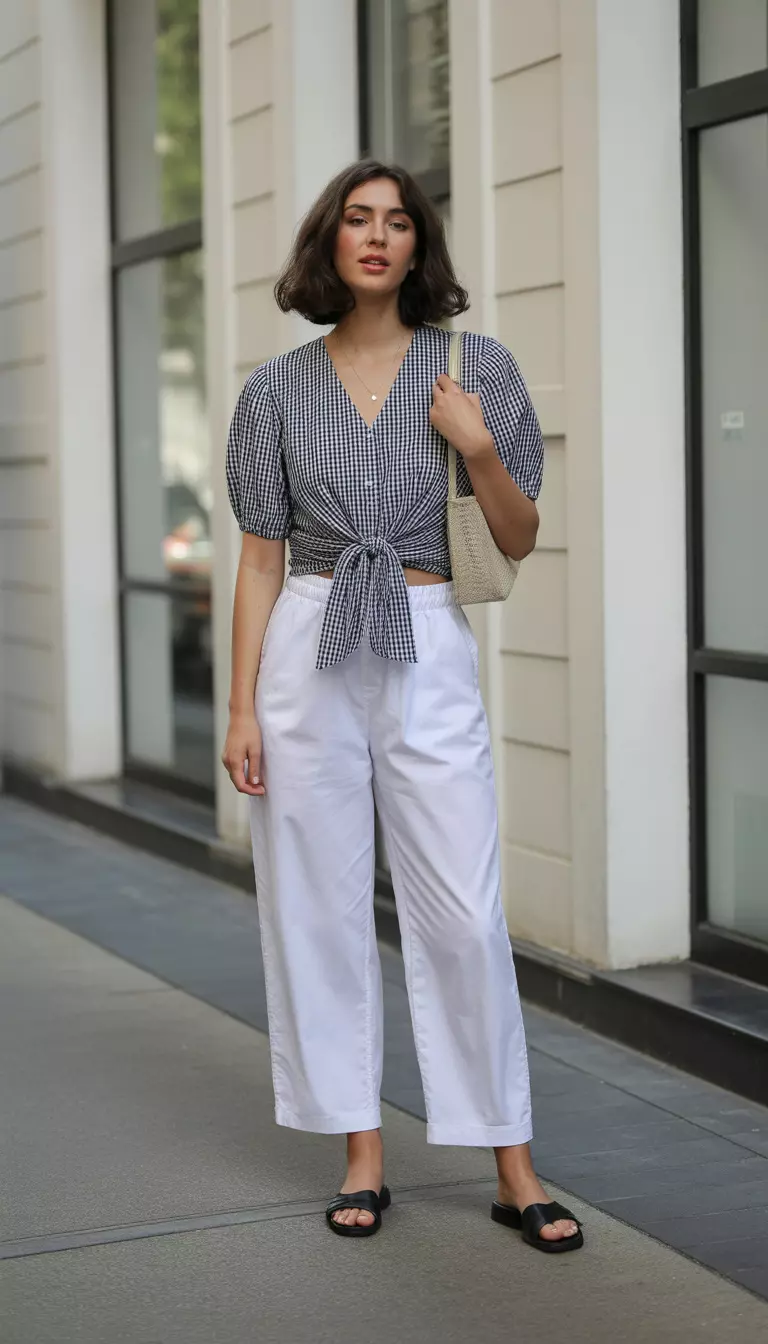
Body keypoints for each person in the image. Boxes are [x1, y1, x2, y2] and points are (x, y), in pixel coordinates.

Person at [222, 160, 584, 1253]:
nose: (376, 238)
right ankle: (360, 1151)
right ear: (327, 243)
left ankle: (511, 1160)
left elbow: (517, 537)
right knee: (315, 906)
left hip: (425, 636)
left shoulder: (479, 369)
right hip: (310, 642)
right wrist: (239, 708)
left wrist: (475, 443)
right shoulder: (275, 390)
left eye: (397, 224)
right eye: (355, 220)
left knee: (464, 912)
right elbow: (257, 559)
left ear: (420, 247)